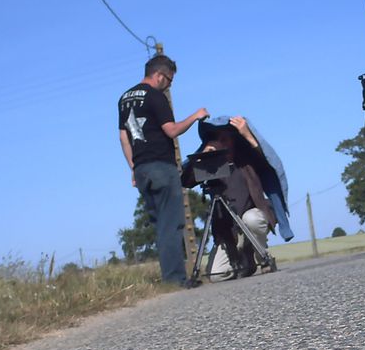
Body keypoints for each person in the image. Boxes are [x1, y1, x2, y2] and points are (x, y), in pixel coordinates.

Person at [118, 54, 208, 284]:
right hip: (161, 166)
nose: (169, 85)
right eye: (169, 80)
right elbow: (172, 130)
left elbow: (123, 136)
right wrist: (196, 116)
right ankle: (175, 279)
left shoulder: (125, 98)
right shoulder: (155, 97)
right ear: (159, 76)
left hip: (141, 169)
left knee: (160, 225)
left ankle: (170, 276)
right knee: (172, 223)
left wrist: (133, 167)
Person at [196, 118, 277, 281]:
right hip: (229, 232)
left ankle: (263, 259)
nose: (221, 143)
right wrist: (204, 158)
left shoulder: (246, 160)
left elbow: (267, 160)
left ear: (233, 141)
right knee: (215, 275)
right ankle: (245, 262)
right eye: (217, 140)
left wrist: (247, 135)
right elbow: (188, 180)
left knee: (252, 219)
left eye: (225, 139)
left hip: (249, 220)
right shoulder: (211, 167)